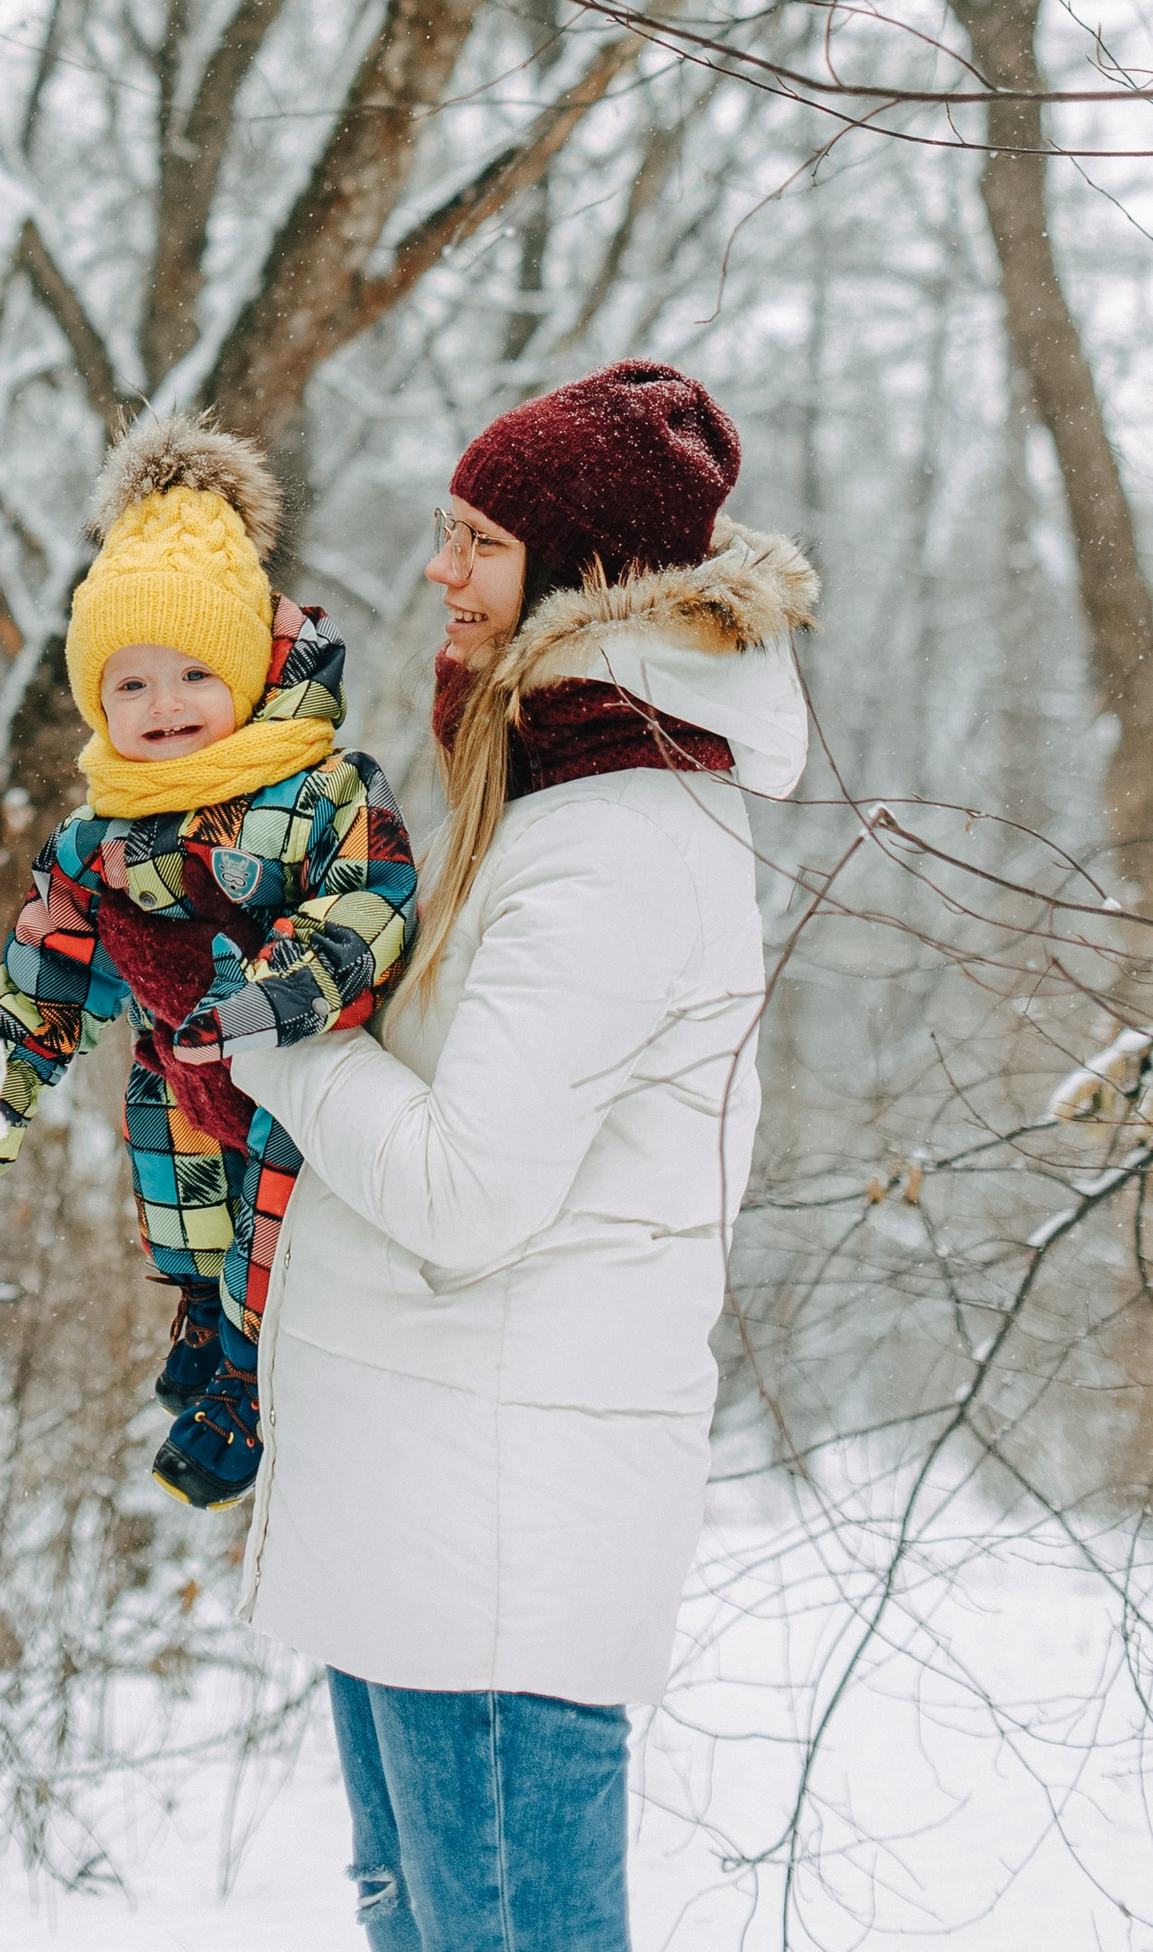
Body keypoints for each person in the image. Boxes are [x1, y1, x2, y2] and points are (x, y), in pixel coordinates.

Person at [227, 359, 816, 1952]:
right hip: (434, 1503)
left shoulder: (615, 836)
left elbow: (468, 1189)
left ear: (584, 576)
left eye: (479, 538)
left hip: (489, 1531)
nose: (441, 567)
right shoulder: (568, 795)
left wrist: (281, 1043)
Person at [0, 407, 416, 1505]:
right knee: (165, 1139)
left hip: (297, 1079)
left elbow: (370, 902)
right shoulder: (97, 838)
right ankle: (202, 1300)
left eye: (193, 676)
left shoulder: (323, 791)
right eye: (130, 683)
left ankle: (252, 1382)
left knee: (272, 1195)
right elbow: (42, 983)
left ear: (249, 674)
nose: (162, 708)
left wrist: (263, 998)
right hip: (188, 1071)